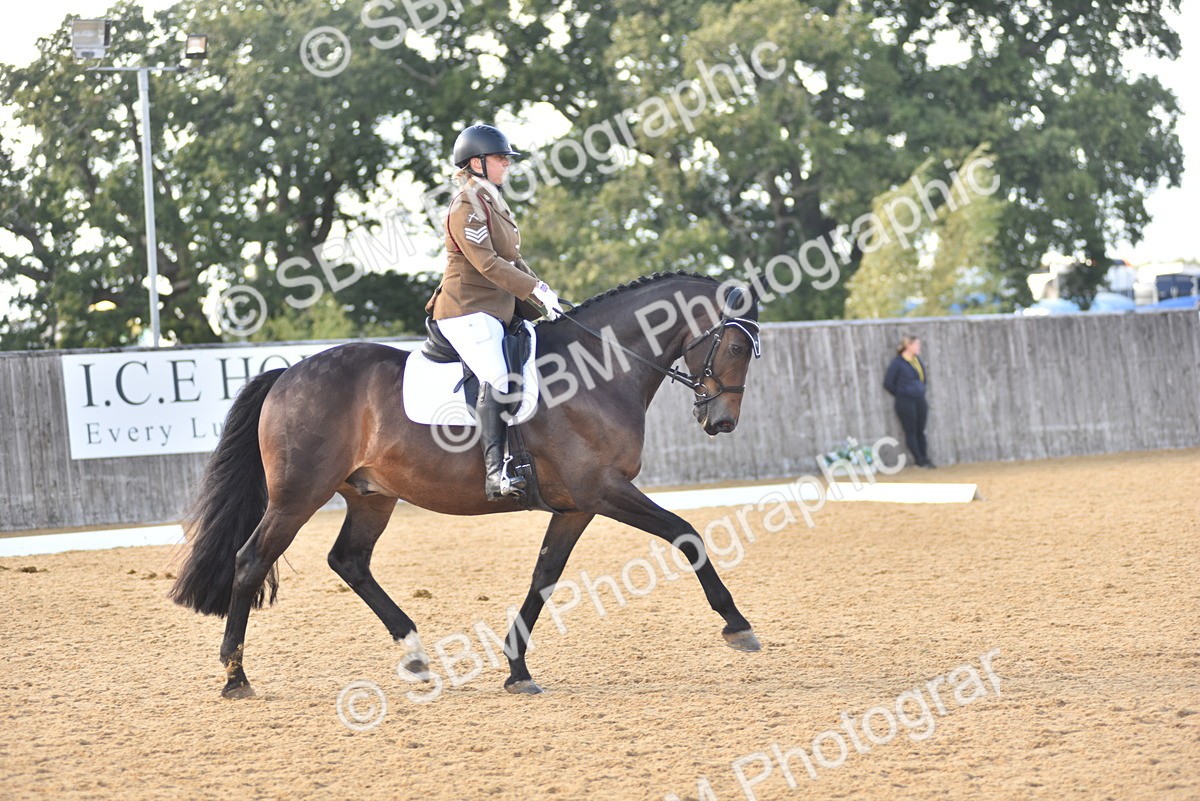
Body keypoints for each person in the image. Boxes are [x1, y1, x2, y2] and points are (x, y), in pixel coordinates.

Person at [424, 124, 564, 500]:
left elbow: (513, 259)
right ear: (477, 163)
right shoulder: (465, 204)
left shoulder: (493, 202)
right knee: (498, 376)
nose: (507, 165)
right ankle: (494, 473)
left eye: (506, 158)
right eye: (501, 158)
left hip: (494, 310)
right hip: (465, 309)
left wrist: (546, 295)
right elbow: (486, 263)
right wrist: (531, 289)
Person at [883, 335, 934, 468]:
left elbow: (923, 378)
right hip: (905, 400)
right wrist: (903, 393)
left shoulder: (917, 361)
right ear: (908, 346)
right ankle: (919, 459)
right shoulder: (898, 363)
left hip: (919, 398)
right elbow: (888, 383)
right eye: (916, 345)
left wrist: (920, 389)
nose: (918, 347)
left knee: (920, 430)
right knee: (911, 430)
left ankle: (925, 457)